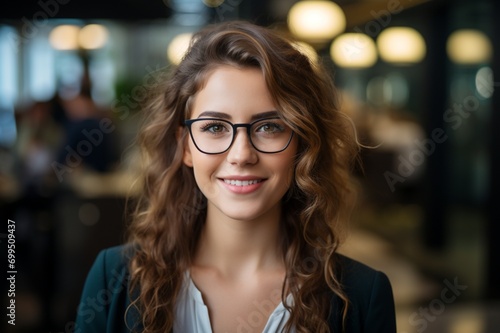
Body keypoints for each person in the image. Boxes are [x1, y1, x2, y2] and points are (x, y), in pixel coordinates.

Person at [74, 20, 396, 333]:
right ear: (184, 145)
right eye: (214, 127)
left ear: (303, 145)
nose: (241, 155)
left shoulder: (362, 296)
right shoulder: (113, 280)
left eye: (270, 127)